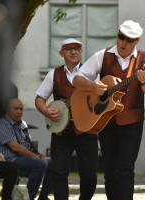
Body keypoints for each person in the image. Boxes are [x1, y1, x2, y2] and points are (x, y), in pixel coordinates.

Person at [73, 20, 145, 200]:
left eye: (129, 39)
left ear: (137, 41)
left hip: (132, 122)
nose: (124, 42)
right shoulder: (102, 55)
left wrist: (144, 80)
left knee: (125, 169)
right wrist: (91, 87)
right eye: (121, 37)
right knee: (110, 172)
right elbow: (77, 79)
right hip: (106, 121)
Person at [35, 38, 98, 199]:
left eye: (77, 48)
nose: (74, 51)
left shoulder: (91, 73)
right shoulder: (53, 74)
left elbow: (100, 97)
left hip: (86, 131)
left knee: (90, 176)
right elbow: (39, 98)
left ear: (82, 52)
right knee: (59, 173)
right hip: (60, 133)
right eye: (69, 49)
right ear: (61, 53)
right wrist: (46, 111)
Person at [0, 98, 53, 200]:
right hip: (9, 161)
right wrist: (36, 158)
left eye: (21, 109)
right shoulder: (3, 124)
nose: (19, 111)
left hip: (23, 158)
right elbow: (15, 148)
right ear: (7, 109)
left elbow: (28, 145)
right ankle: (29, 197)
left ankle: (44, 196)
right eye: (16, 109)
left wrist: (39, 155)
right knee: (40, 164)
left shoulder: (22, 124)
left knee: (53, 162)